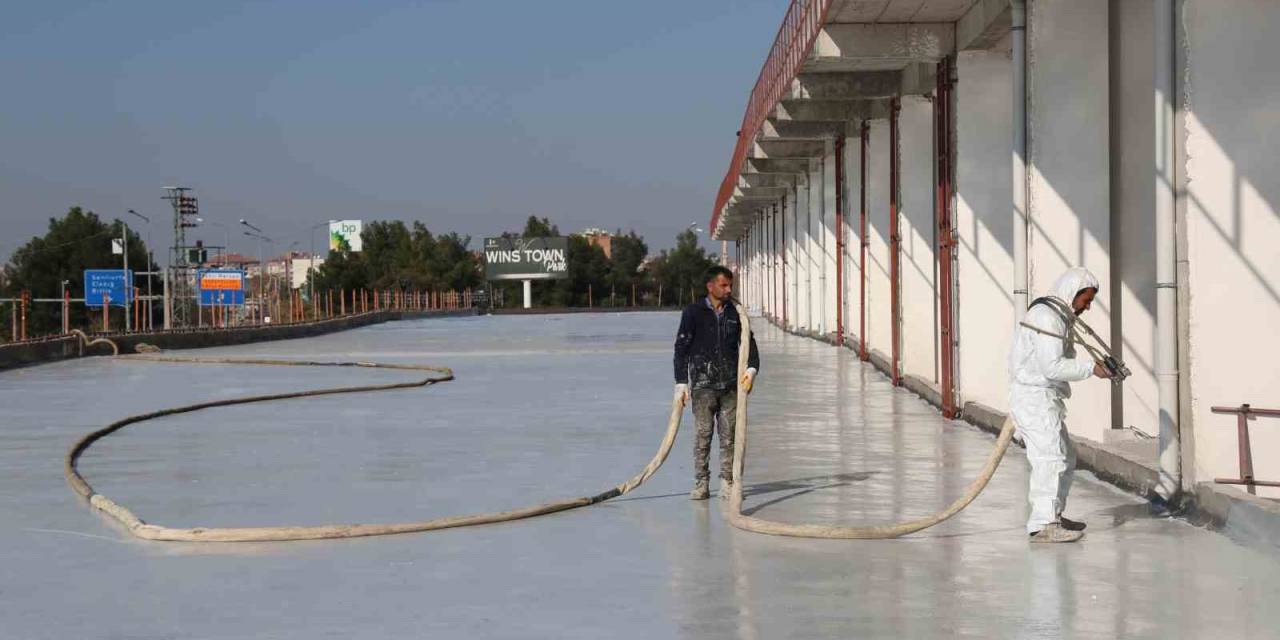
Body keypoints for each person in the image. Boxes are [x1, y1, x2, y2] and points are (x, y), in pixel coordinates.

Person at [1008, 267, 1112, 543]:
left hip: (1043, 399)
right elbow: (1052, 367)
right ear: (1072, 292)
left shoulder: (1055, 317)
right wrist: (1091, 369)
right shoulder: (1047, 318)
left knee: (1065, 456)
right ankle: (1043, 524)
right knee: (1050, 459)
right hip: (1035, 400)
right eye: (1086, 300)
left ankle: (1053, 514)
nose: (1087, 307)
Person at [673, 266, 761, 501]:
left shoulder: (736, 313)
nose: (729, 290)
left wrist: (751, 369)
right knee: (703, 436)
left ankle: (727, 482)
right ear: (710, 286)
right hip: (703, 386)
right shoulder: (693, 313)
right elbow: (681, 348)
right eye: (723, 285)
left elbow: (749, 343)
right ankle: (702, 483)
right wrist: (681, 382)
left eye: (730, 285)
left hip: (731, 386)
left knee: (729, 437)